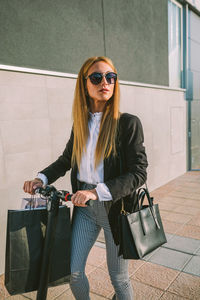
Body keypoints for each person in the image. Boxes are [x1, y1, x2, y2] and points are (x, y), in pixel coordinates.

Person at [23, 56, 148, 300]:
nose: (105, 82)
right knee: (74, 273)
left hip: (116, 209)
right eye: (97, 77)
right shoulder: (80, 125)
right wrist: (41, 178)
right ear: (84, 84)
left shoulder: (127, 123)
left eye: (111, 77)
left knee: (119, 279)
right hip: (84, 210)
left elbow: (139, 172)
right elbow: (65, 161)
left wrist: (95, 191)